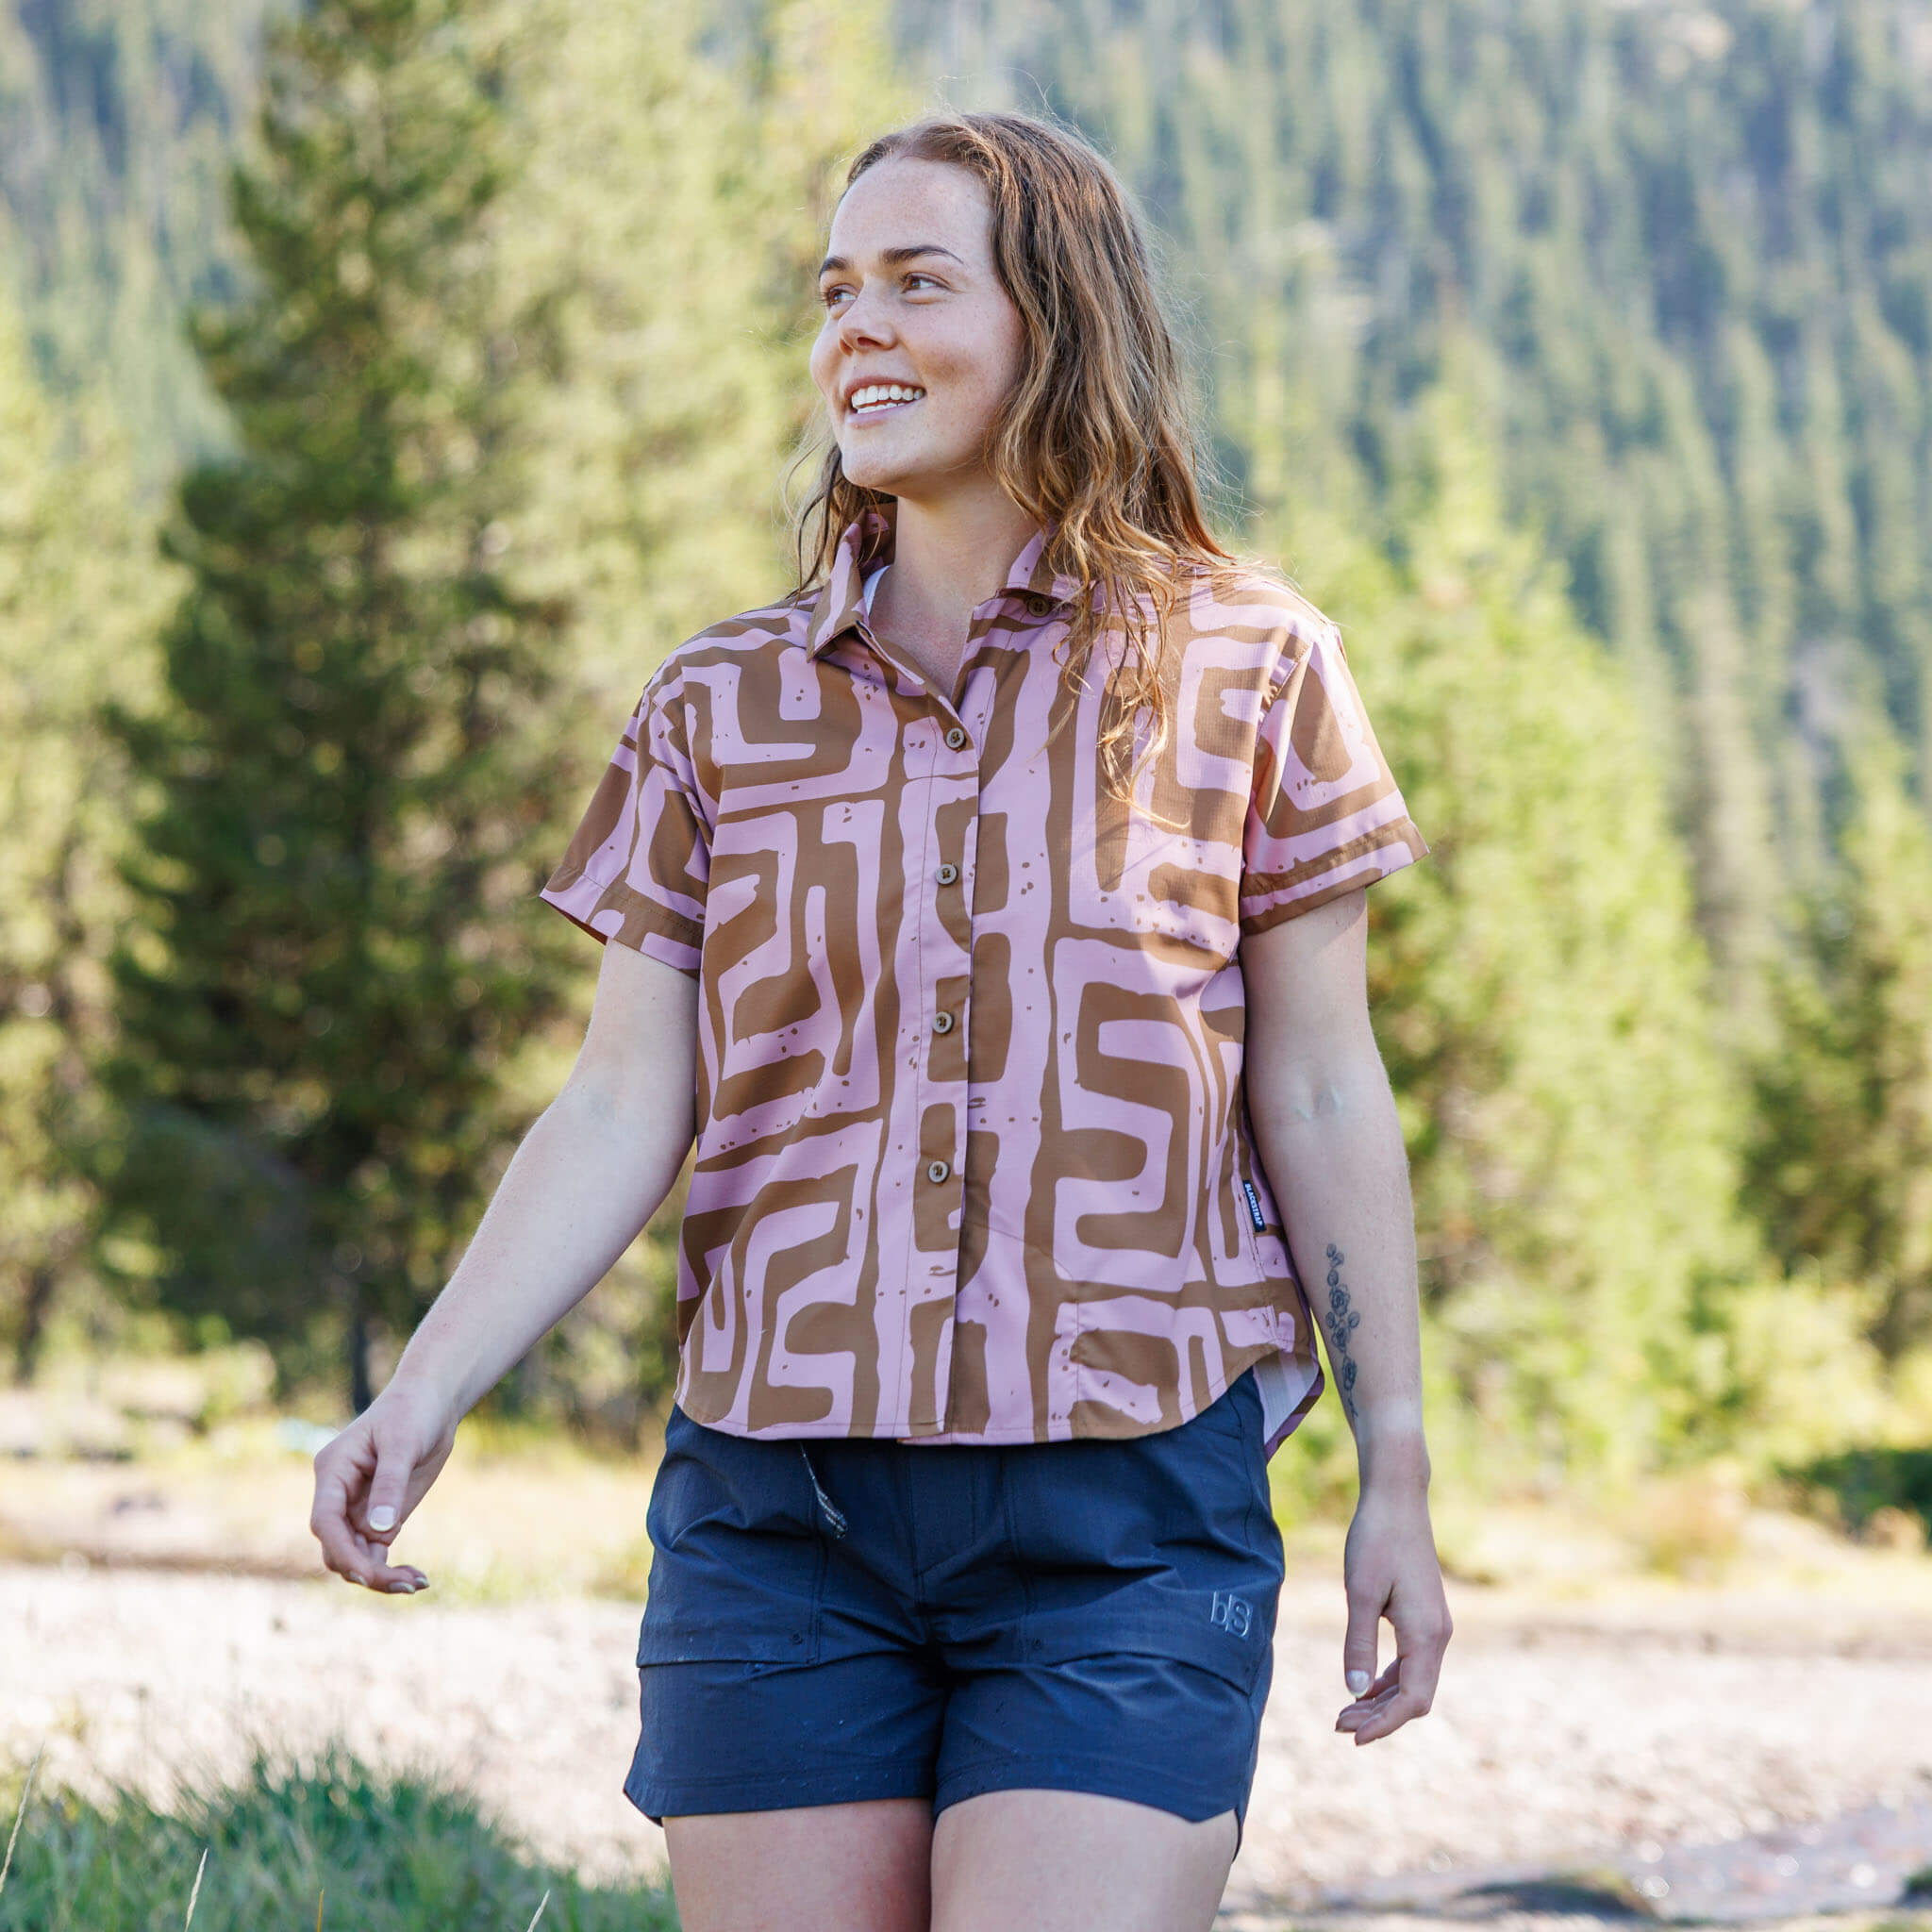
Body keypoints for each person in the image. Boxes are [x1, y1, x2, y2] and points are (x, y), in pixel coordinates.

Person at [309, 108, 1452, 1932]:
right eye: (837, 289)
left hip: (1130, 1513)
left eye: (920, 282)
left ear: (1058, 322)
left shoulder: (1252, 667)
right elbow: (620, 1103)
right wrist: (425, 1389)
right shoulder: (718, 706)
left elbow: (1320, 1088)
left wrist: (1394, 1464)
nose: (859, 327)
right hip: (784, 1520)